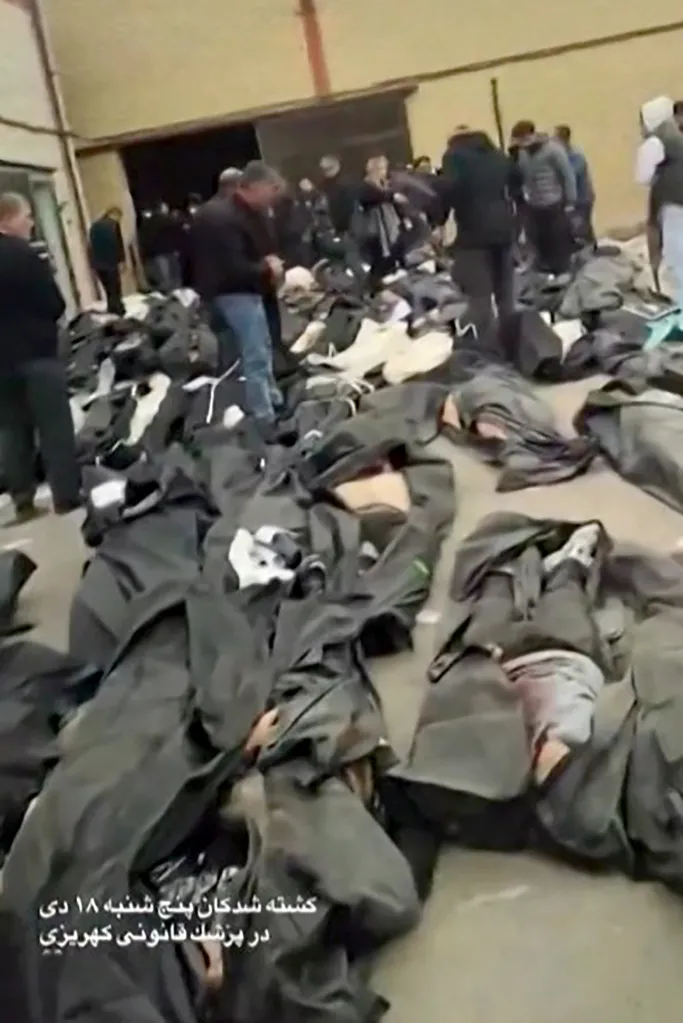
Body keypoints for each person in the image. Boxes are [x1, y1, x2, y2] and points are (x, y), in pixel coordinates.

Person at [0, 193, 81, 522]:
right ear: (9, 218)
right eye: (27, 216)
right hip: (37, 353)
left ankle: (22, 500)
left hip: (1, 363)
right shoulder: (28, 256)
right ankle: (66, 496)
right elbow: (55, 304)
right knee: (54, 426)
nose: (31, 223)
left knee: (12, 429)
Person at [191, 161, 286, 434]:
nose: (275, 195)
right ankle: (264, 415)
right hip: (236, 293)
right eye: (272, 188)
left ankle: (268, 400)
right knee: (254, 352)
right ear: (254, 187)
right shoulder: (225, 218)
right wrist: (267, 267)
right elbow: (232, 266)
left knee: (256, 348)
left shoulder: (226, 213)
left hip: (226, 293)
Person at [440, 127, 517, 335]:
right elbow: (517, 177)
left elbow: (450, 188)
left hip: (473, 233)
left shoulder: (455, 156)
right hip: (505, 229)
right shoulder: (497, 155)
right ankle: (513, 342)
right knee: (506, 295)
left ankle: (486, 344)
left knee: (479, 295)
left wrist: (440, 216)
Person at [509, 120, 577, 274]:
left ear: (532, 135)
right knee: (538, 242)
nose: (523, 145)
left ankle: (562, 271)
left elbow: (567, 175)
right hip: (533, 204)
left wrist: (570, 201)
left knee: (557, 241)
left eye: (523, 140)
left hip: (553, 202)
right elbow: (522, 175)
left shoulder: (553, 150)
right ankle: (543, 273)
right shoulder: (523, 154)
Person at [635, 96, 683, 308]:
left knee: (676, 260)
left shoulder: (655, 142)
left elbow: (642, 176)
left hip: (670, 203)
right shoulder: (678, 138)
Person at [356, 154, 409, 292]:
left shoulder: (384, 185)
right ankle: (373, 290)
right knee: (379, 261)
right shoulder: (366, 186)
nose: (384, 172)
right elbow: (373, 196)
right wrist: (392, 196)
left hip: (388, 227)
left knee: (391, 257)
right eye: (381, 168)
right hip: (375, 230)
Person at [555, 124, 596, 249]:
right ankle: (591, 249)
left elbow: (571, 175)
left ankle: (590, 251)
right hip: (574, 199)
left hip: (582, 198)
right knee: (579, 227)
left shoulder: (575, 156)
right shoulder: (562, 156)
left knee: (581, 227)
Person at [89, 206, 126, 315]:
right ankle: (118, 309)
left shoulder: (94, 226)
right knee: (115, 288)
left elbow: (91, 246)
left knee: (108, 289)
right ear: (115, 215)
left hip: (98, 264)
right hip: (111, 262)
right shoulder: (114, 225)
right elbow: (118, 244)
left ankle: (112, 308)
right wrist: (121, 260)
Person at [138, 201, 182, 293]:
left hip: (154, 254)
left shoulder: (147, 222)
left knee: (162, 280)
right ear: (162, 208)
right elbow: (177, 234)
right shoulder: (169, 220)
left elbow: (144, 238)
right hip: (168, 251)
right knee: (171, 279)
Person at [319, 155, 357, 236]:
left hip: (348, 227)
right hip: (333, 226)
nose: (325, 172)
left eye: (328, 169)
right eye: (323, 169)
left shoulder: (346, 182)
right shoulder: (324, 185)